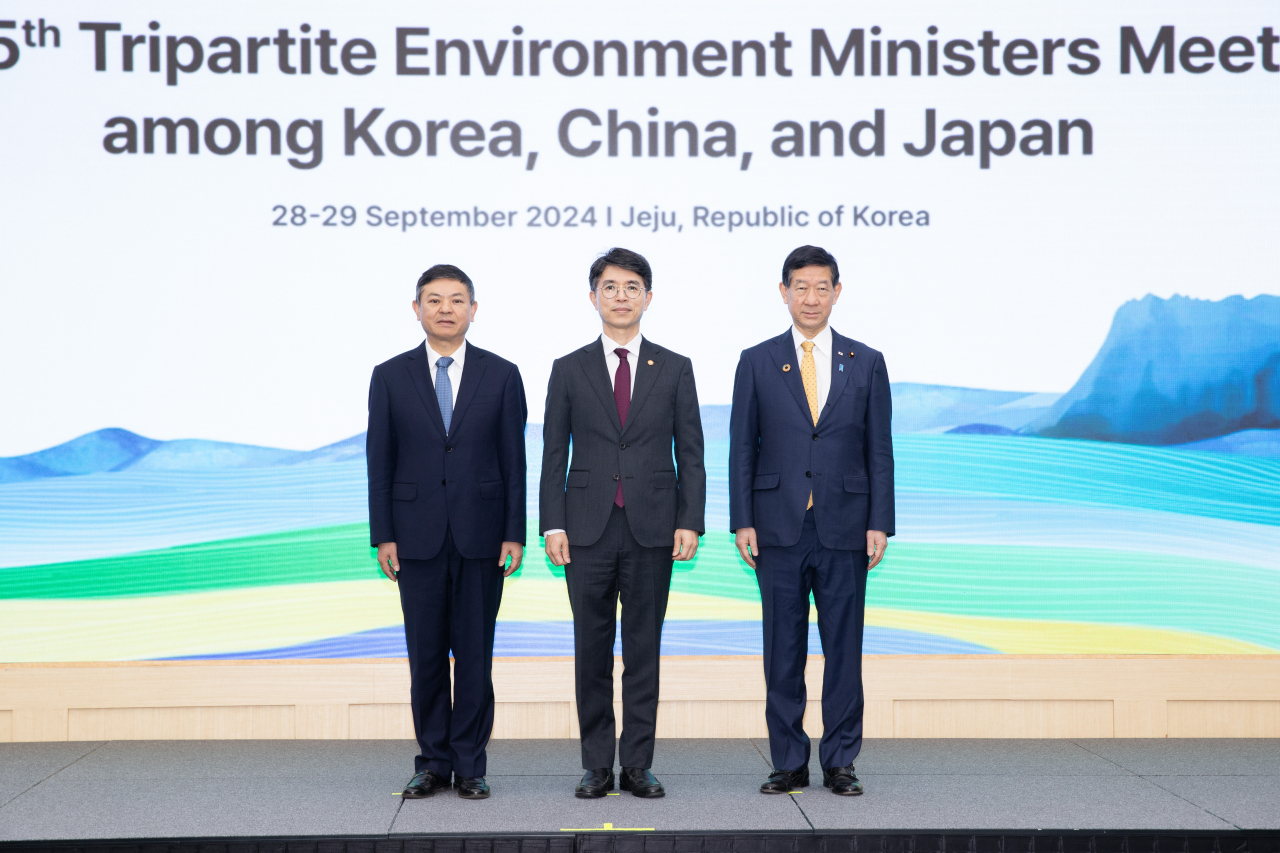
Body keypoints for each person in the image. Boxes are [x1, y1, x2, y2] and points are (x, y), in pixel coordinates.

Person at [540, 247, 706, 799]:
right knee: (591, 650)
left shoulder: (675, 367)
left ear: (648, 298)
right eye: (610, 287)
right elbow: (551, 454)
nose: (621, 296)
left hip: (654, 528)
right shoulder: (568, 369)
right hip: (585, 530)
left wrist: (692, 521)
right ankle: (595, 764)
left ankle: (637, 764)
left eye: (632, 287)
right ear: (593, 297)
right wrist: (551, 524)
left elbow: (693, 453)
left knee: (642, 650)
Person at [729, 245, 894, 797]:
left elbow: (879, 450)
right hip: (776, 527)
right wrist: (742, 519)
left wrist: (880, 521)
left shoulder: (865, 360)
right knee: (783, 650)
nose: (811, 297)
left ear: (837, 292)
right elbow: (742, 449)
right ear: (783, 292)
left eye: (822, 286)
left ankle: (841, 761)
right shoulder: (757, 360)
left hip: (847, 526)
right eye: (800, 286)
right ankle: (789, 761)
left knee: (844, 649)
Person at [366, 264, 527, 801]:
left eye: (456, 300)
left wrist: (514, 532)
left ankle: (470, 764)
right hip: (415, 537)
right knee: (427, 656)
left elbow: (514, 461)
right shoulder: (388, 376)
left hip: (483, 536)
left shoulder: (502, 375)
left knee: (475, 657)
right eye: (433, 300)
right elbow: (380, 461)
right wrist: (383, 534)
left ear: (473, 310)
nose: (445, 309)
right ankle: (433, 762)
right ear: (417, 310)